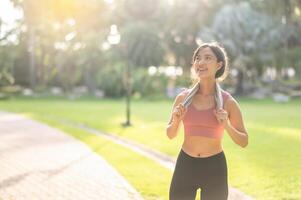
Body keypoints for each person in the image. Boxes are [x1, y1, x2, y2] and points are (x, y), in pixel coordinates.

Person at [166, 42, 248, 200]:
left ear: (219, 65)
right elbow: (170, 134)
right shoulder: (183, 99)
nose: (201, 62)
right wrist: (176, 120)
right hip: (186, 165)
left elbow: (244, 141)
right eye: (197, 58)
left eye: (207, 58)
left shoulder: (228, 102)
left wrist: (226, 126)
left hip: (214, 168)